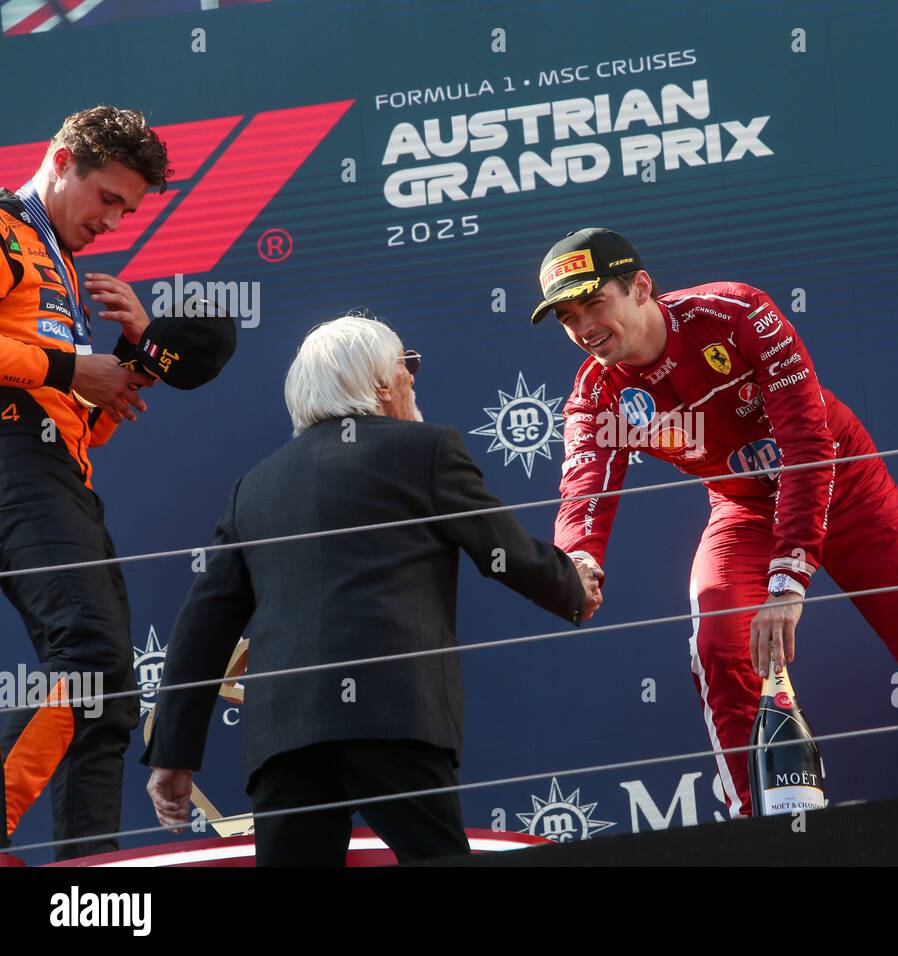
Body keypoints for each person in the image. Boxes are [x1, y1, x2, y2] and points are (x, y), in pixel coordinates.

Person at [535, 228, 898, 818]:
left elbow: (808, 441)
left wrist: (788, 577)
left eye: (594, 303)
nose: (584, 328)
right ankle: (759, 829)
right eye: (568, 317)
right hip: (743, 507)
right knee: (718, 642)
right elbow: (584, 492)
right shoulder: (597, 393)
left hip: (843, 481)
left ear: (641, 287)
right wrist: (576, 560)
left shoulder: (735, 313)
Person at [143, 314, 603, 866]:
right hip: (393, 715)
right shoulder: (424, 451)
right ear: (380, 384)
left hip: (286, 737)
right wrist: (572, 587)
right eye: (407, 367)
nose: (414, 379)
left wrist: (173, 752)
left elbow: (203, 624)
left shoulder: (255, 488)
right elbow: (500, 549)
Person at [0, 106, 169, 859]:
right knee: (91, 663)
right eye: (107, 199)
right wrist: (75, 369)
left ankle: (88, 886)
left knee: (107, 701)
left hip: (59, 471)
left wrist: (141, 357)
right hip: (11, 462)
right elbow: (52, 380)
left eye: (127, 211)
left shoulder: (64, 269)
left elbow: (81, 416)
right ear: (62, 160)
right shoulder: (6, 228)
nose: (114, 222)